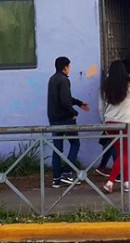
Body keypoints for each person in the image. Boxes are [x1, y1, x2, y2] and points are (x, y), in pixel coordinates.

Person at [47, 56, 89, 188]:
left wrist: (78, 103)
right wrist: (74, 112)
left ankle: (56, 178)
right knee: (75, 144)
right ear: (65, 67)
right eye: (69, 67)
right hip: (65, 119)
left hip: (54, 120)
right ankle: (67, 172)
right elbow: (65, 101)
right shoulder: (64, 80)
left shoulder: (52, 79)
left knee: (57, 149)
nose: (70, 69)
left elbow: (64, 98)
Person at [100, 60, 130, 193]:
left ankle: (127, 182)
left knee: (121, 153)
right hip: (125, 124)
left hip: (109, 124)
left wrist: (105, 122)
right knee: (126, 154)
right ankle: (110, 182)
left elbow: (101, 108)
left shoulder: (105, 86)